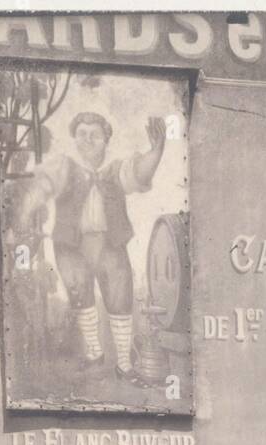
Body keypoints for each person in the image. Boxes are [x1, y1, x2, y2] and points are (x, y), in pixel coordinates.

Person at [17, 111, 166, 384]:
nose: (87, 139)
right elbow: (42, 185)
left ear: (106, 139)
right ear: (74, 138)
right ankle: (95, 353)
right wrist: (29, 208)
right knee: (80, 297)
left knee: (120, 299)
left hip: (111, 244)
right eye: (82, 134)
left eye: (94, 134)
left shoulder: (116, 169)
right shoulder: (64, 166)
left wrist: (156, 151)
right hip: (71, 246)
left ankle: (123, 363)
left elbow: (139, 172)